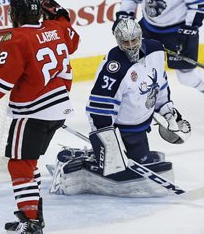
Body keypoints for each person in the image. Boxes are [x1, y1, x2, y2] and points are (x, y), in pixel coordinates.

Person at [0, 0, 80, 233]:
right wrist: (59, 12)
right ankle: (34, 215)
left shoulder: (16, 39)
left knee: (19, 165)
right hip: (59, 107)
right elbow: (73, 39)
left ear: (14, 15)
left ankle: (31, 221)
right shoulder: (55, 27)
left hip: (34, 110)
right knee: (28, 161)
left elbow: (1, 81)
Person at [50, 19, 191, 197]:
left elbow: (160, 85)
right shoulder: (114, 67)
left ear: (140, 37)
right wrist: (108, 143)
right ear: (117, 41)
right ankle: (86, 165)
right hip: (123, 127)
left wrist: (168, 113)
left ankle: (105, 156)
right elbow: (99, 108)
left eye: (134, 40)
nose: (131, 46)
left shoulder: (155, 50)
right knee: (115, 166)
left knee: (141, 161)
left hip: (140, 123)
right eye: (125, 42)